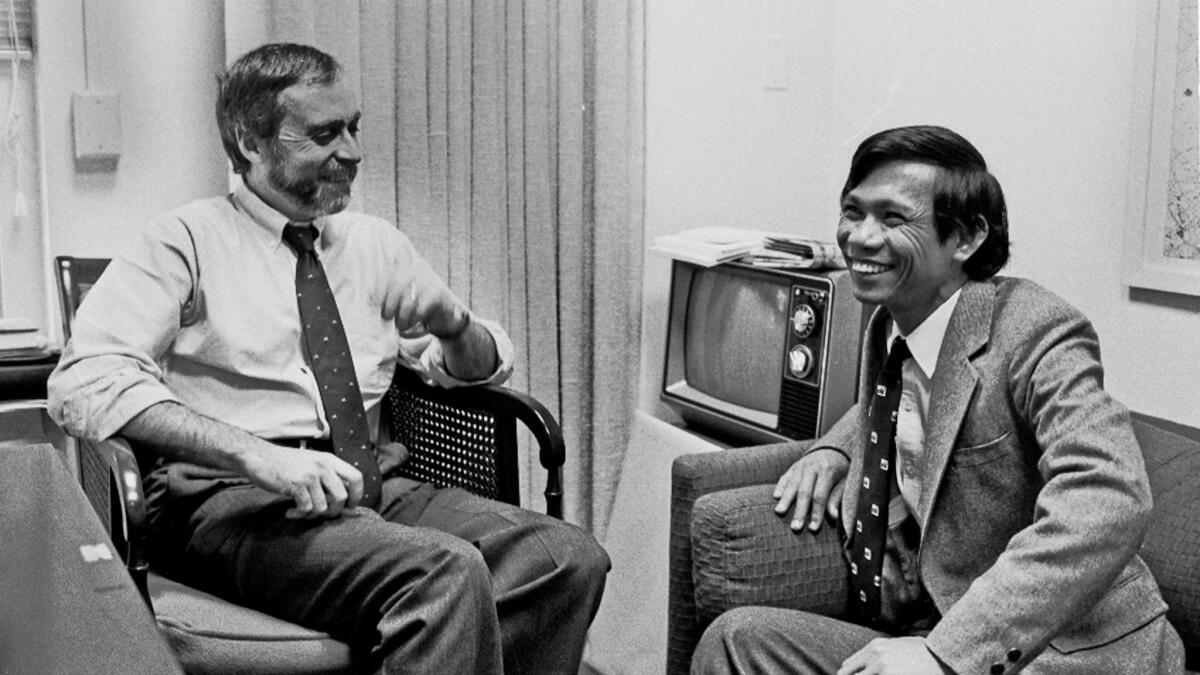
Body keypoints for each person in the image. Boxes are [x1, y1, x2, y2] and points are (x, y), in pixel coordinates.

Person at [48, 42, 609, 674]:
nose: (352, 152)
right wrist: (261, 458)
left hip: (369, 486)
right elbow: (85, 381)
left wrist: (455, 326)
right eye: (323, 133)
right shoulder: (185, 240)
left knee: (565, 558)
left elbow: (474, 367)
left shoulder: (373, 245)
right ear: (250, 142)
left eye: (354, 127)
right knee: (440, 572)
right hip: (230, 502)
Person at [691, 125, 1185, 674]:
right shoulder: (892, 323)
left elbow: (1109, 494)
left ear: (967, 238)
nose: (860, 238)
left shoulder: (1036, 328)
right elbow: (916, 400)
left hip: (1066, 648)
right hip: (937, 621)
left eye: (893, 218)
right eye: (852, 211)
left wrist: (946, 655)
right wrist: (834, 447)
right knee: (738, 640)